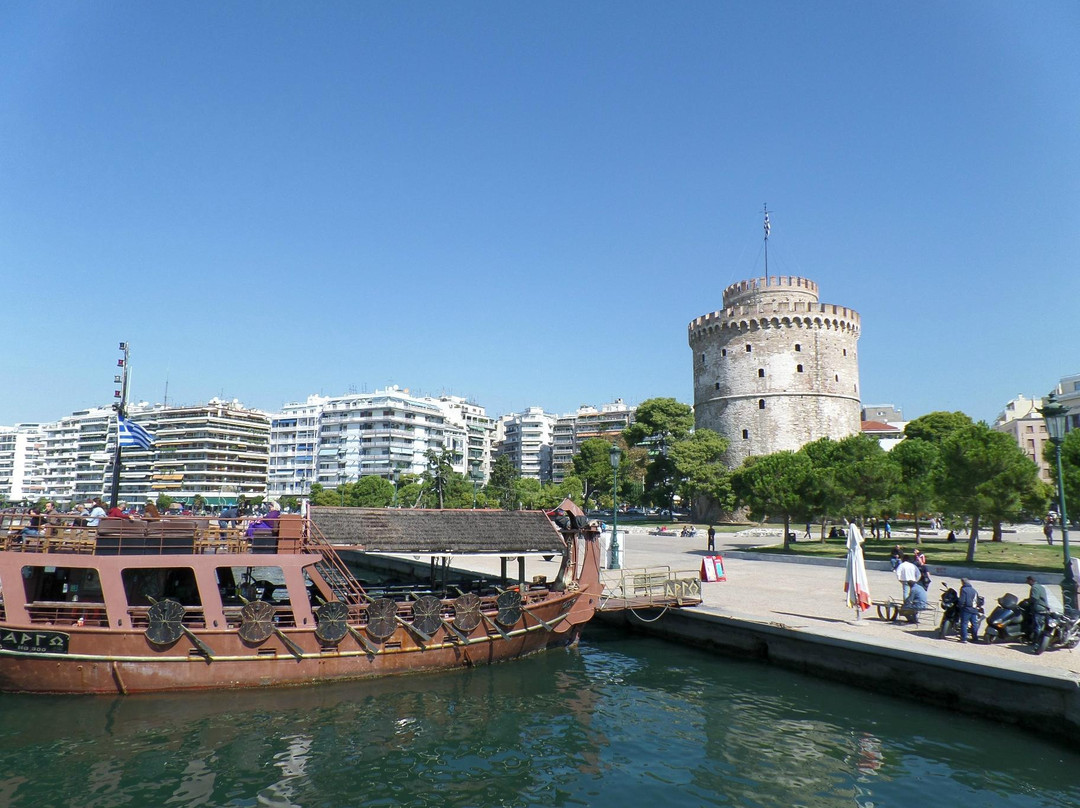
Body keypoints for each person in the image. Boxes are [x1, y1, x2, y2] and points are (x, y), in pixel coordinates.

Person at [957, 578, 981, 643]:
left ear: (963, 583)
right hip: (974, 609)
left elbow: (962, 600)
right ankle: (975, 637)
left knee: (964, 623)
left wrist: (960, 606)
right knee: (974, 624)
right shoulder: (974, 590)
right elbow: (977, 600)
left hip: (966, 609)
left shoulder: (964, 590)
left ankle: (964, 638)